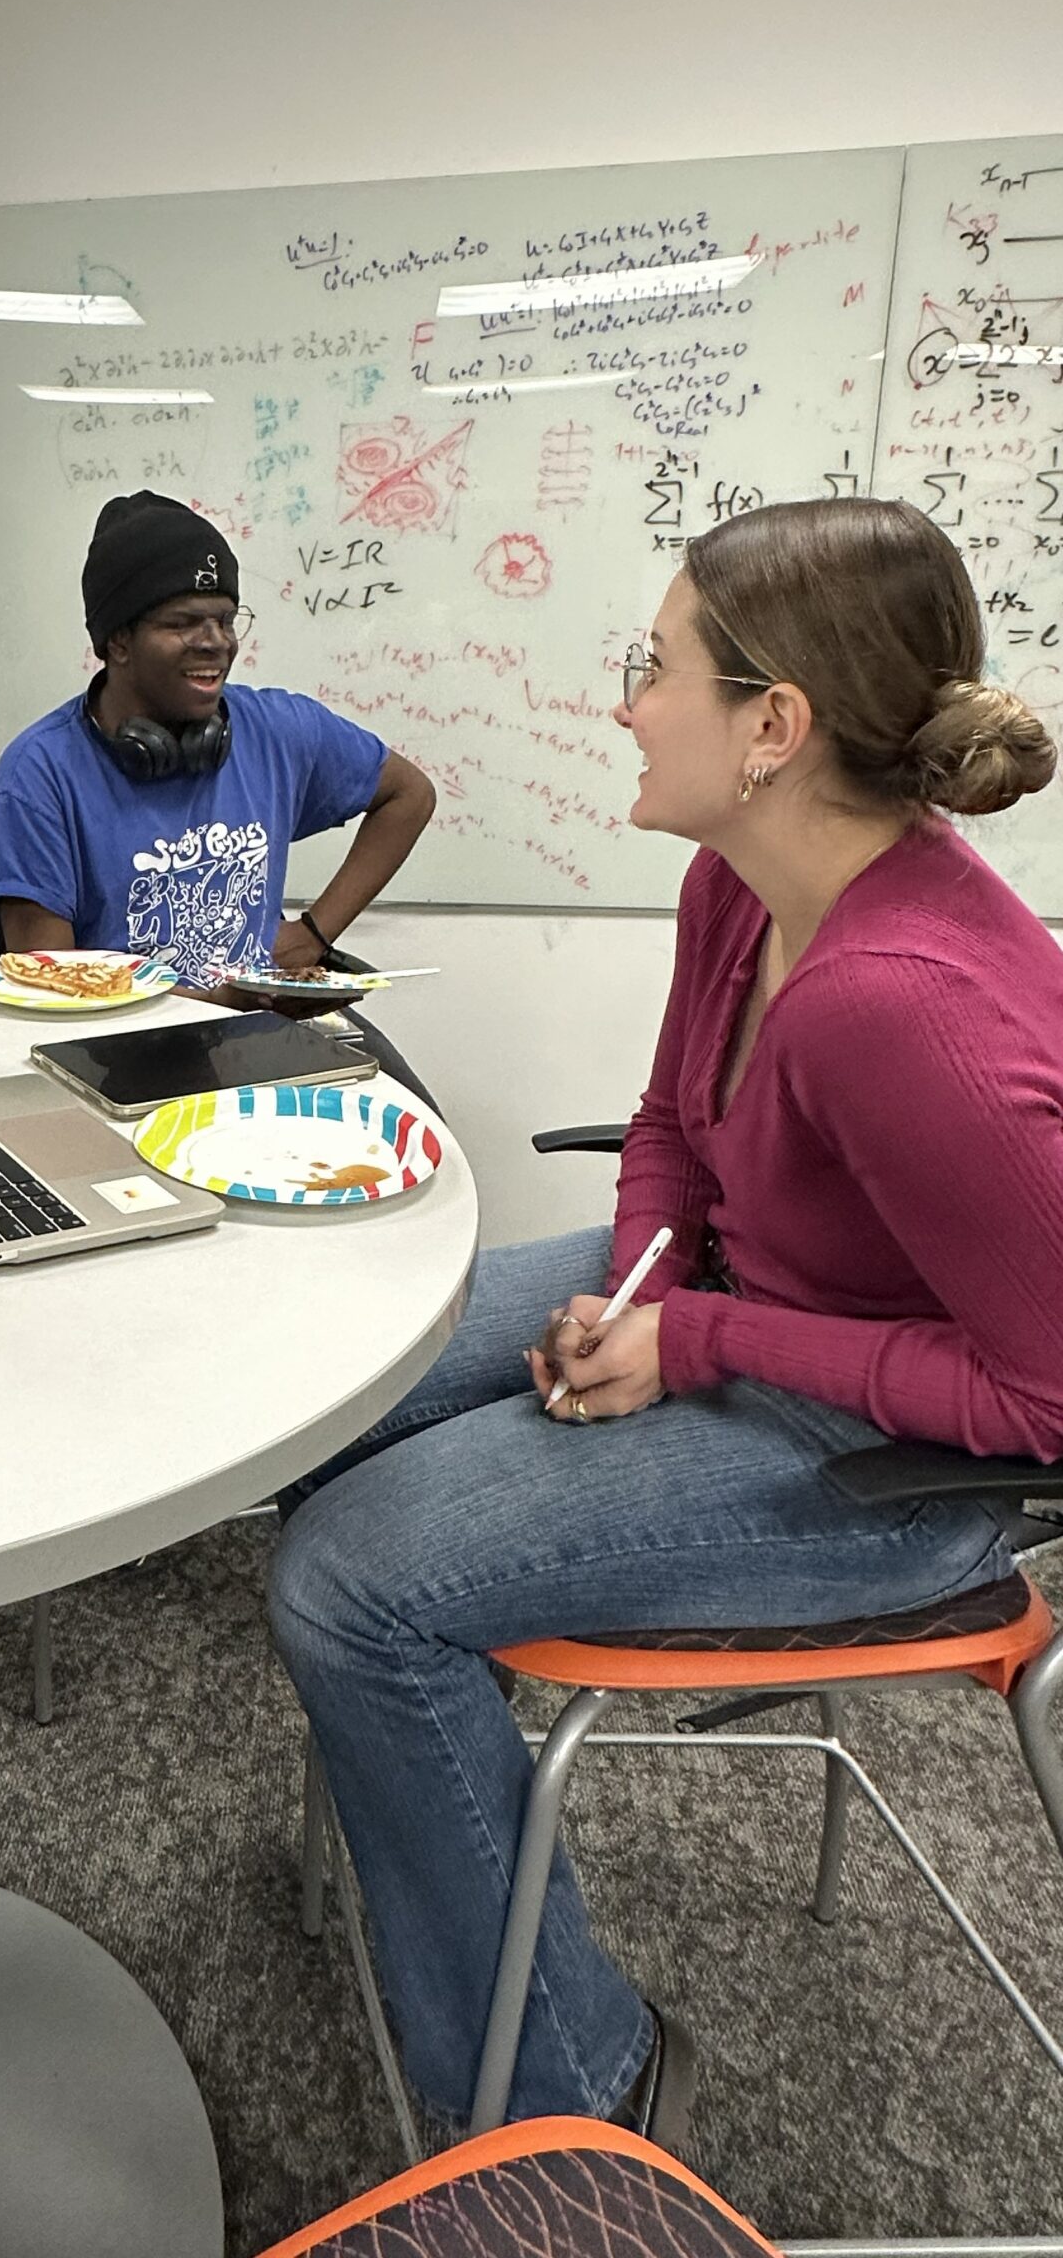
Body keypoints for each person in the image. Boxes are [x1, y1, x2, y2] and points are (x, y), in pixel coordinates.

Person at [271, 497, 1063, 2147]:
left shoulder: (900, 1006)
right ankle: (438, 1845)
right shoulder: (739, 883)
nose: (624, 704)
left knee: (349, 1581)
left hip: (904, 1462)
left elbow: (1047, 1400)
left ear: (775, 728)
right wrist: (633, 1289)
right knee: (323, 1399)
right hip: (743, 1299)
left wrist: (692, 1344)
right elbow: (669, 1130)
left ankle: (578, 2080)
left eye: (654, 669)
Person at [0, 492, 435, 982]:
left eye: (225, 621)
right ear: (118, 640)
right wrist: (226, 999)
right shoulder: (38, 775)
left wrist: (313, 934)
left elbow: (409, 794)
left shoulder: (279, 729)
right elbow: (52, 987)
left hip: (258, 1022)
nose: (216, 642)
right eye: (183, 623)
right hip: (111, 1030)